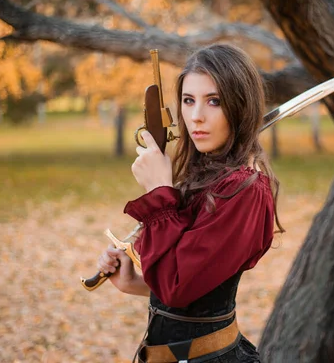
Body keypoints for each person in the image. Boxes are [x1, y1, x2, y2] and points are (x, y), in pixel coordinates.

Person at [97, 44, 284, 362]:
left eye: (214, 101)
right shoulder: (203, 178)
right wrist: (136, 283)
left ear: (239, 107)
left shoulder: (245, 191)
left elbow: (178, 286)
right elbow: (193, 287)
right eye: (188, 100)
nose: (196, 116)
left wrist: (158, 192)